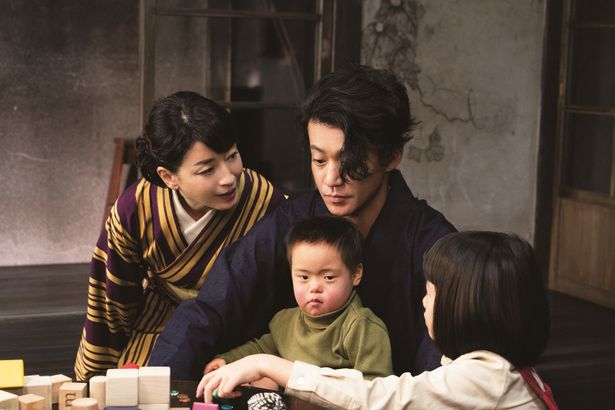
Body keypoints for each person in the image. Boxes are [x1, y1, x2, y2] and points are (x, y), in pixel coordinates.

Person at [149, 65, 456, 379]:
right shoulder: (292, 220)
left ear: (391, 157)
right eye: (319, 160)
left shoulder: (434, 244)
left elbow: (444, 370)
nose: (331, 179)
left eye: (349, 161)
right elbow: (215, 305)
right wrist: (155, 388)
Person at [197, 231, 558, 410]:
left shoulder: (485, 377)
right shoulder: (500, 370)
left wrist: (269, 365)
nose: (423, 302)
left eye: (430, 293)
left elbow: (377, 397)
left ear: (466, 307)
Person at [74, 91, 285, 380]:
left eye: (232, 156)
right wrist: (94, 379)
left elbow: (282, 297)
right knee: (138, 387)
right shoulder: (137, 207)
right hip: (162, 324)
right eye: (208, 169)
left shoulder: (265, 203)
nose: (228, 177)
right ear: (169, 176)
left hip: (239, 330)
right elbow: (111, 303)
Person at [205, 216, 393, 381]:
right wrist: (227, 360)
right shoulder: (285, 321)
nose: (314, 287)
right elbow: (260, 348)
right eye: (303, 277)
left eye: (328, 277)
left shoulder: (361, 327)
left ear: (355, 274)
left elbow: (377, 389)